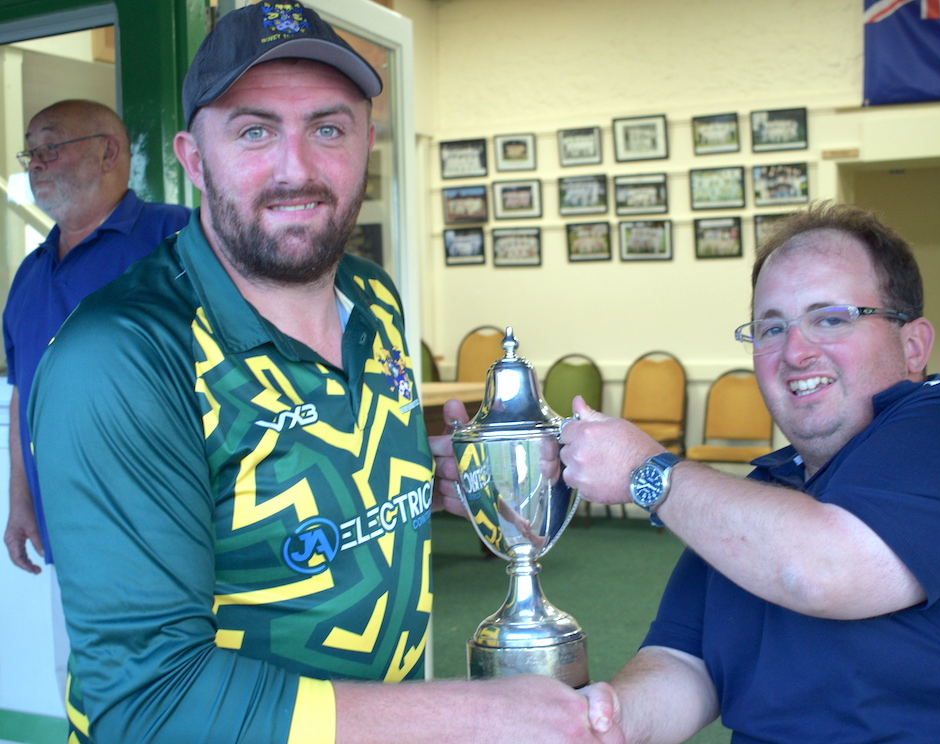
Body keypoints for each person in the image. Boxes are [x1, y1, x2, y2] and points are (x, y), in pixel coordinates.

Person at [28, 4, 617, 743]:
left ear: (367, 143)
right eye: (254, 131)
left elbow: (311, 474)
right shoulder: (123, 356)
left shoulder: (372, 296)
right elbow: (148, 703)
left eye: (329, 128)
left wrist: (421, 478)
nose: (296, 169)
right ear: (191, 158)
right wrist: (477, 713)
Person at [545, 201, 940, 742]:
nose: (795, 352)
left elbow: (820, 568)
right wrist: (602, 720)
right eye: (771, 328)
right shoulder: (764, 494)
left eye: (831, 318)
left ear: (914, 343)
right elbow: (686, 663)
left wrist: (647, 470)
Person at [4, 99, 190, 574]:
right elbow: (24, 395)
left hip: (174, 536)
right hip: (68, 537)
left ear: (109, 152)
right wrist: (20, 501)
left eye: (51, 145)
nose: (37, 163)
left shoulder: (181, 239)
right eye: (31, 152)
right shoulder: (30, 273)